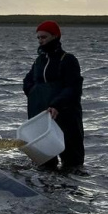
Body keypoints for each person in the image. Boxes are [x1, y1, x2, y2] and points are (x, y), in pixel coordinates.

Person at [22, 20, 84, 169]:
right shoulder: (39, 61)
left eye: (44, 37)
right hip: (42, 117)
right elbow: (28, 81)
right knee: (44, 162)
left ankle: (71, 188)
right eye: (38, 38)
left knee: (72, 162)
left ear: (55, 36)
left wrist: (56, 104)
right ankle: (46, 189)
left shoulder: (68, 60)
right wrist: (32, 92)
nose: (40, 41)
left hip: (66, 116)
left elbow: (73, 87)